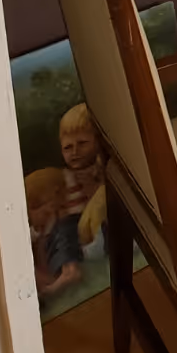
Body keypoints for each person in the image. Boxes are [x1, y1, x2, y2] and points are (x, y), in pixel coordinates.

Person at [26, 167, 84, 298]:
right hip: (51, 273)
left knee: (63, 232)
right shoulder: (37, 233)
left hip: (64, 266)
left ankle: (70, 270)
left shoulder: (60, 223)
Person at [59, 103, 107, 248]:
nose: (75, 152)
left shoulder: (103, 169)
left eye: (82, 143)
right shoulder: (64, 178)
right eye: (68, 147)